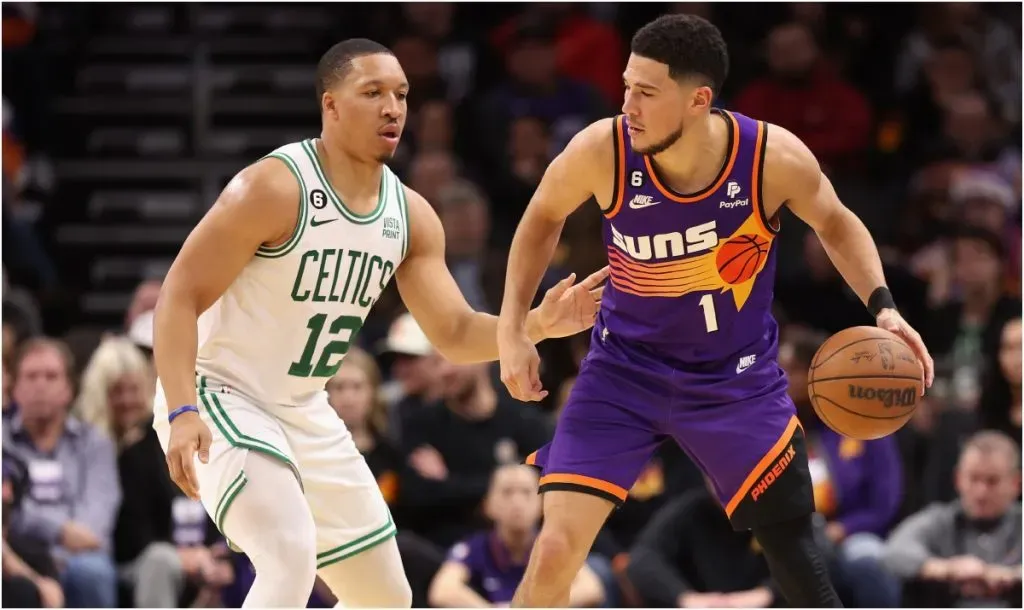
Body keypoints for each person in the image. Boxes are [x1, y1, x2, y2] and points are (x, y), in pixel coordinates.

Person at [496, 14, 935, 608]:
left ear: (698, 100)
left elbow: (836, 223)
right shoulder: (603, 149)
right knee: (554, 550)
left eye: (646, 92)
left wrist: (883, 307)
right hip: (623, 371)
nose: (627, 105)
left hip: (735, 381)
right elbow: (541, 217)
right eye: (626, 86)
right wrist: (512, 330)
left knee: (797, 559)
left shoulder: (770, 157)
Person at [152, 38, 605, 608]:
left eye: (401, 94)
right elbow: (178, 295)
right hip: (221, 392)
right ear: (331, 105)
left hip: (303, 407)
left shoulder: (410, 215)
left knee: (386, 596)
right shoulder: (274, 187)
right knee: (288, 556)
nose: (393, 108)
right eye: (372, 93)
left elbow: (454, 333)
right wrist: (182, 409)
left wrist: (535, 324)